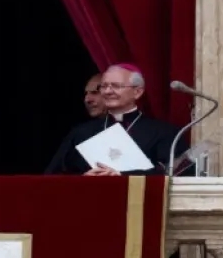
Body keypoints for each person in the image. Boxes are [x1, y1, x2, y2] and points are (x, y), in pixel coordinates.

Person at [45, 64, 183, 176]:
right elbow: (54, 175)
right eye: (104, 86)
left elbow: (176, 173)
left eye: (116, 86)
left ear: (137, 92)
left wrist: (122, 176)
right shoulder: (81, 133)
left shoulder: (164, 132)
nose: (107, 91)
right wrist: (84, 178)